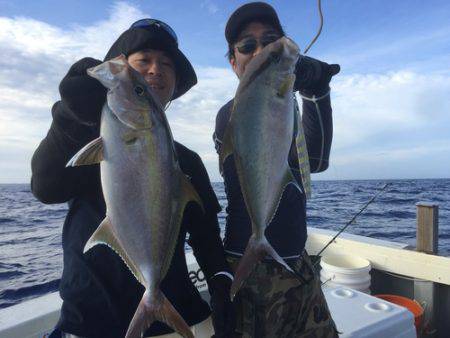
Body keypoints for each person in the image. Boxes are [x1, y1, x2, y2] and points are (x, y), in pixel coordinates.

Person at [32, 19, 234, 338]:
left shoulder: (190, 161)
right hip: (88, 320)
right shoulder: (85, 142)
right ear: (119, 68)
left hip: (172, 318)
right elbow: (45, 186)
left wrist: (221, 283)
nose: (156, 69)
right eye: (144, 60)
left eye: (167, 64)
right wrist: (69, 118)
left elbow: (206, 234)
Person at [213, 2, 340, 337]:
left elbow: (317, 162)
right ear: (233, 62)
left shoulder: (284, 106)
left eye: (270, 40)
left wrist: (318, 92)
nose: (260, 50)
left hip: (298, 264)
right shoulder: (234, 113)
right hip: (250, 268)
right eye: (247, 46)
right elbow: (251, 123)